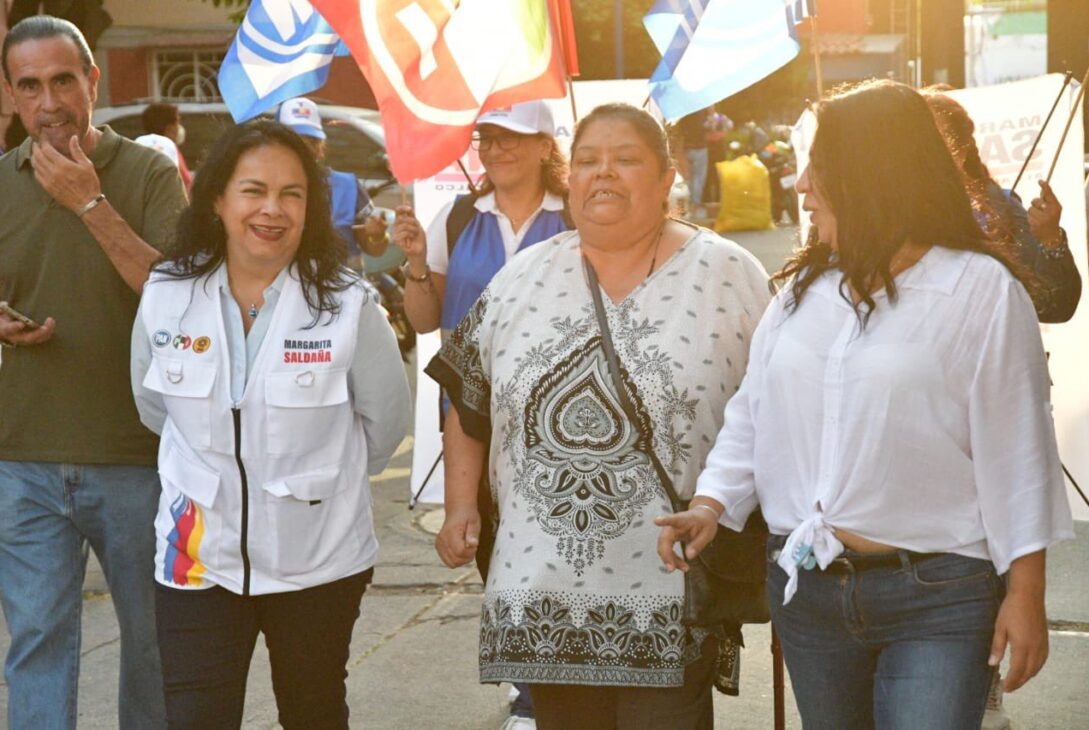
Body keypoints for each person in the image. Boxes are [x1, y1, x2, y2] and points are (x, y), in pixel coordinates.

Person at [657, 80, 1074, 730]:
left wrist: (1025, 592)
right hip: (808, 594)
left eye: (817, 166)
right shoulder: (800, 291)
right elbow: (753, 413)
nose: (799, 184)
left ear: (869, 172)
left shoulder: (980, 291)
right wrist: (713, 503)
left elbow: (1019, 451)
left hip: (938, 597)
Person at [425, 103, 770, 729]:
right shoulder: (521, 278)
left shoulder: (728, 275)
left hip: (670, 585)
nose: (602, 174)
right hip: (544, 591)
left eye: (626, 159)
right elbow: (467, 399)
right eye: (587, 161)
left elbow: (774, 411)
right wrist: (460, 507)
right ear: (569, 176)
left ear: (668, 178)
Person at [130, 119, 410, 729]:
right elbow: (155, 410)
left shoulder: (347, 305)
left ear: (311, 208)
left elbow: (385, 427)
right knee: (196, 718)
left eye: (292, 194)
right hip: (196, 557)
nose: (272, 210)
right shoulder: (166, 294)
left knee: (313, 712)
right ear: (217, 199)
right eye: (253, 190)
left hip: (319, 559)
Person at [0, 15, 188, 729]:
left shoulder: (147, 174)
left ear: (93, 82)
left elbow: (183, 299)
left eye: (62, 80)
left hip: (134, 455)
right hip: (21, 460)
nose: (48, 103)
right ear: (11, 96)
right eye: (29, 86)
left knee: (152, 648)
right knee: (37, 644)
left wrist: (88, 201)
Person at [393, 98, 570, 730]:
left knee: (560, 552)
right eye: (487, 139)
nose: (496, 151)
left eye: (512, 139)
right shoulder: (458, 215)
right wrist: (415, 260)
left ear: (547, 145)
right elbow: (423, 322)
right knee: (497, 552)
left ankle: (554, 691)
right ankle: (530, 691)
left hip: (560, 420)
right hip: (473, 419)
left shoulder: (577, 217)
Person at [924, 89, 1080, 323]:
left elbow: (1053, 305)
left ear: (962, 150)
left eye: (933, 140)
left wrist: (1050, 238)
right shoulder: (882, 213)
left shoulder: (998, 208)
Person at [278, 96, 388, 267]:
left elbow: (375, 250)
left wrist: (378, 235)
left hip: (342, 289)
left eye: (312, 142)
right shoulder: (265, 189)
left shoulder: (347, 186)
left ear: (320, 146)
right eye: (295, 142)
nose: (304, 149)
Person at [142, 102, 193, 193]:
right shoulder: (170, 151)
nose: (179, 128)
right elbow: (186, 185)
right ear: (169, 129)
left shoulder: (141, 150)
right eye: (177, 123)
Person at [675, 108, 709, 218]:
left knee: (688, 177)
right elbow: (708, 128)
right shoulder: (702, 113)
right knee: (699, 178)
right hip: (700, 148)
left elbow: (680, 132)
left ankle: (686, 204)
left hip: (687, 148)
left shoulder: (684, 113)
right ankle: (695, 204)